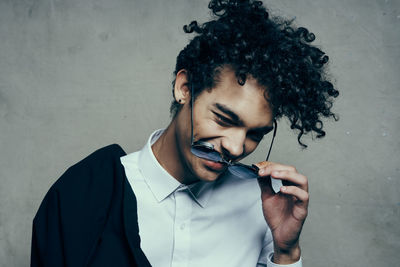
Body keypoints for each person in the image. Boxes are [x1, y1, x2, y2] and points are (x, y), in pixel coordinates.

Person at [31, 0, 339, 266]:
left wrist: (286, 252)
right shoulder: (87, 190)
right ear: (185, 88)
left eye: (254, 134)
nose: (234, 147)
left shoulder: (262, 205)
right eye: (223, 118)